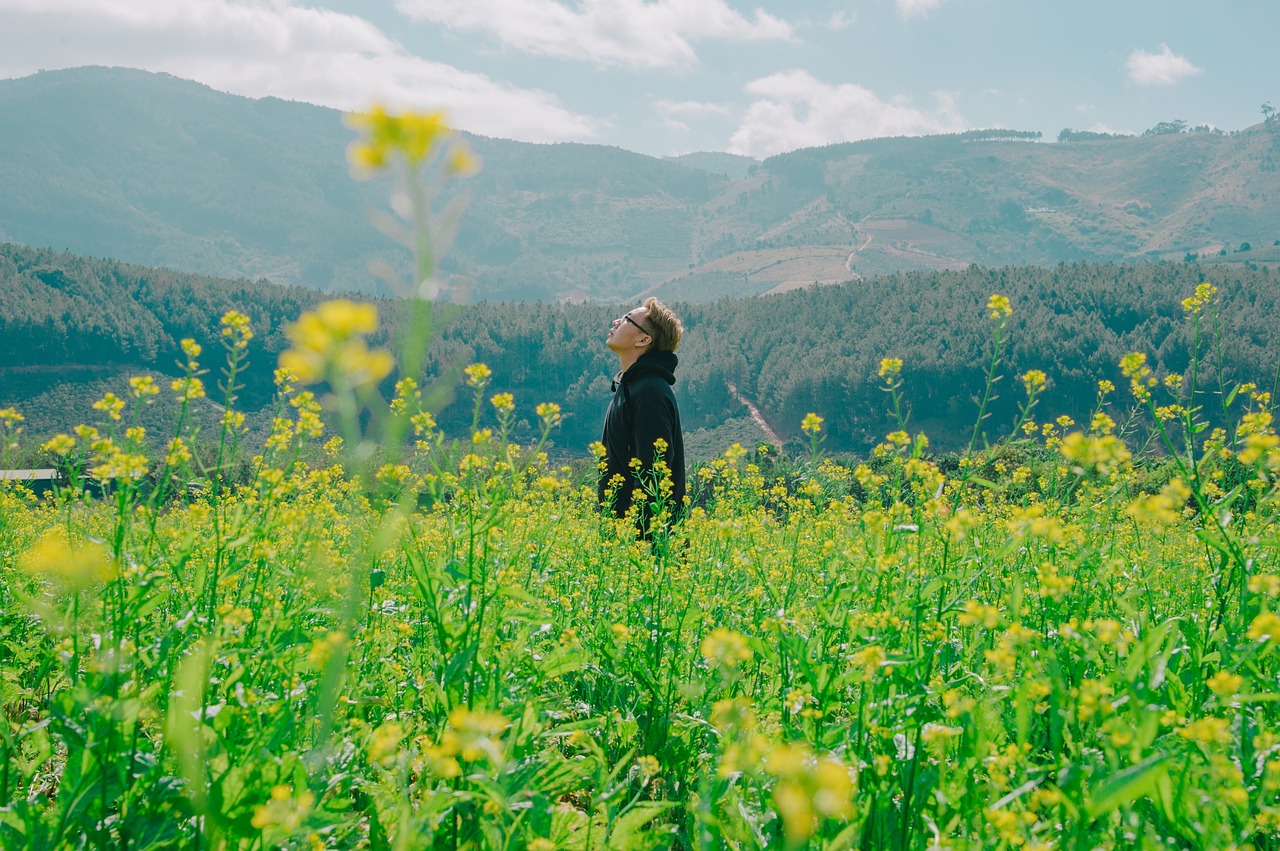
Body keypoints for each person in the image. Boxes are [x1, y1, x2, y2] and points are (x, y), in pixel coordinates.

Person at [599, 297, 686, 534]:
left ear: (643, 339)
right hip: (624, 540)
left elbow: (653, 475)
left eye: (627, 319)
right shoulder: (631, 386)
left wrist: (638, 542)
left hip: (645, 546)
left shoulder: (649, 393)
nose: (616, 322)